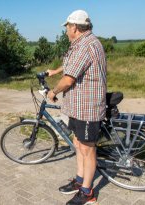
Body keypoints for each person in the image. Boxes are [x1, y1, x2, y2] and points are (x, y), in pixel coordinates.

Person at [47, 10, 107, 205]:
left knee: (88, 150)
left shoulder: (87, 45)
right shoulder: (81, 44)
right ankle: (80, 181)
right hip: (78, 107)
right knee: (79, 144)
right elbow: (72, 66)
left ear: (74, 27)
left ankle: (88, 192)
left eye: (66, 27)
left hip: (87, 108)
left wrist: (53, 92)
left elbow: (69, 79)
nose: (65, 31)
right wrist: (55, 70)